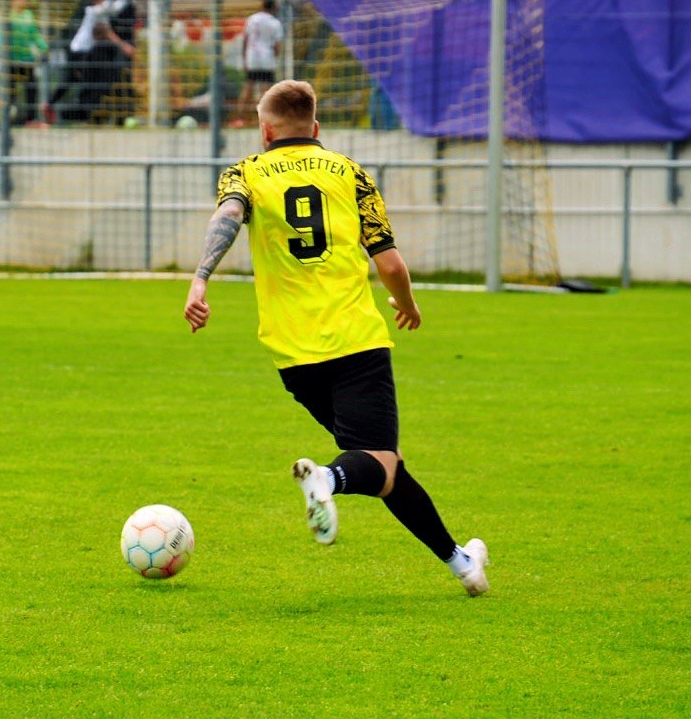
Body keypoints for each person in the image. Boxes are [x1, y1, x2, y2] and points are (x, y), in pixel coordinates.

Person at [182, 79, 489, 597]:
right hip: (354, 341)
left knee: (385, 465)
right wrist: (407, 304)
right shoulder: (350, 172)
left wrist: (200, 279)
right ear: (316, 126)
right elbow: (390, 263)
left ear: (265, 131)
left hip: (291, 353)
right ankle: (327, 479)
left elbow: (228, 215)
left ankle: (463, 565)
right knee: (375, 461)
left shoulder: (245, 172)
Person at [49, 0, 137, 123]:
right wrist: (124, 45)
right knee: (88, 81)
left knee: (76, 80)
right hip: (79, 52)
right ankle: (68, 110)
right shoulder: (95, 11)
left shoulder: (98, 12)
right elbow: (115, 9)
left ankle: (54, 105)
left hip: (82, 51)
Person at [1, 0, 49, 124]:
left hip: (26, 59)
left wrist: (44, 48)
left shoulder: (29, 15)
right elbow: (0, 36)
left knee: (31, 88)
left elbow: (35, 35)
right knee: (10, 91)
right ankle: (6, 119)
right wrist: (1, 52)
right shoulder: (7, 15)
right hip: (10, 60)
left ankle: (31, 118)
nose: (26, 1)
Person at [234, 0, 284, 123]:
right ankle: (266, 119)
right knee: (266, 90)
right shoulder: (275, 23)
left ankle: (240, 118)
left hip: (252, 57)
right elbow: (277, 45)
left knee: (248, 87)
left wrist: (245, 58)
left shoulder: (252, 19)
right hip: (267, 58)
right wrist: (275, 56)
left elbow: (245, 40)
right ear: (274, 7)